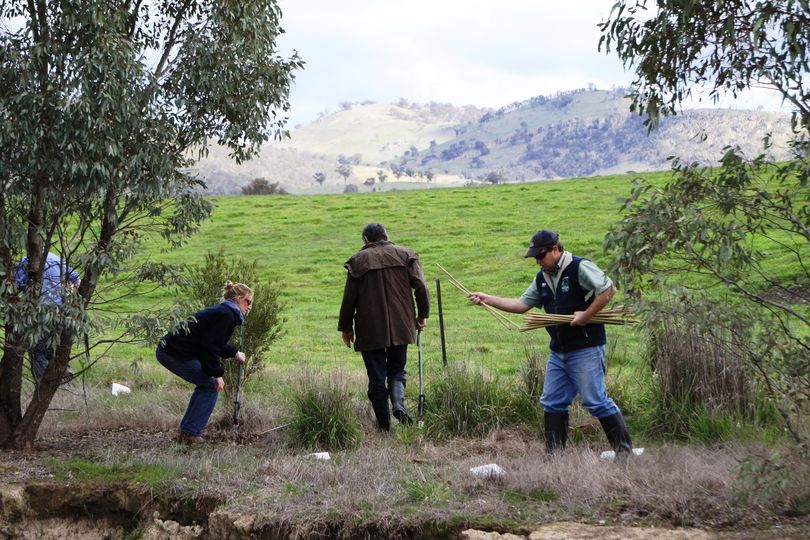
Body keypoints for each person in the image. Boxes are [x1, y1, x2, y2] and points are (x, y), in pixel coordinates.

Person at [468, 230, 633, 456]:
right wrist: (488, 299)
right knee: (553, 402)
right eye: (535, 257)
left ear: (556, 249)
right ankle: (553, 458)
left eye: (541, 255)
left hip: (586, 348)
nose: (538, 261)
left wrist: (585, 315)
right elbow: (521, 304)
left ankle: (624, 452)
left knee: (596, 401)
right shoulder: (542, 278)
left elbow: (608, 289)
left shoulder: (580, 267)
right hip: (558, 351)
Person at [338, 223, 430, 431]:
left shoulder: (357, 261)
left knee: (376, 377)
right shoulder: (406, 255)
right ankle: (398, 404)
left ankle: (384, 428)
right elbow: (421, 286)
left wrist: (346, 327)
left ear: (365, 240)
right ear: (386, 236)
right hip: (402, 323)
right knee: (397, 371)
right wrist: (422, 315)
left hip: (370, 328)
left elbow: (349, 298)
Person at [156, 281, 251, 445]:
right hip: (173, 353)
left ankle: (188, 431)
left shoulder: (224, 312)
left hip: (171, 350)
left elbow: (213, 343)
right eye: (247, 302)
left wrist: (234, 353)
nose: (249, 307)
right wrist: (217, 373)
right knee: (211, 385)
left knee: (208, 383)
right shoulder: (227, 316)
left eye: (251, 304)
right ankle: (190, 434)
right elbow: (209, 348)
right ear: (237, 299)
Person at [14, 251, 81, 384]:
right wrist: (69, 299)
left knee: (37, 349)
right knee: (53, 345)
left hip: (39, 312)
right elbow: (77, 279)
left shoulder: (27, 261)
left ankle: (43, 383)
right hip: (58, 311)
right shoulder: (58, 259)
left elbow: (16, 286)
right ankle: (63, 373)